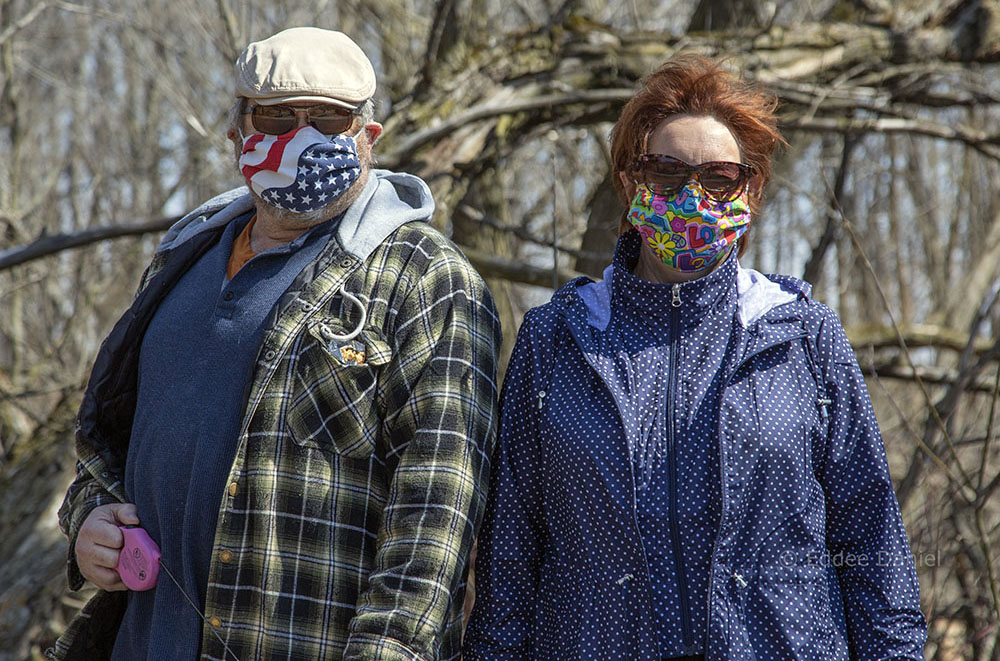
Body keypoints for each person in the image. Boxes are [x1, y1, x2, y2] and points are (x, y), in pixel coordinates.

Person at [50, 26, 501, 661]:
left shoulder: (428, 279)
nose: (301, 137)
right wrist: (88, 519)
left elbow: (439, 512)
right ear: (238, 132)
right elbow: (105, 442)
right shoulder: (184, 256)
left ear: (368, 138)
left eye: (328, 120)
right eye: (277, 117)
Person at [464, 56, 926, 660]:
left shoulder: (803, 335)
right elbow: (510, 554)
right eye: (667, 172)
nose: (694, 196)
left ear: (751, 191)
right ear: (631, 184)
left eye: (719, 178)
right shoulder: (557, 338)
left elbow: (870, 540)